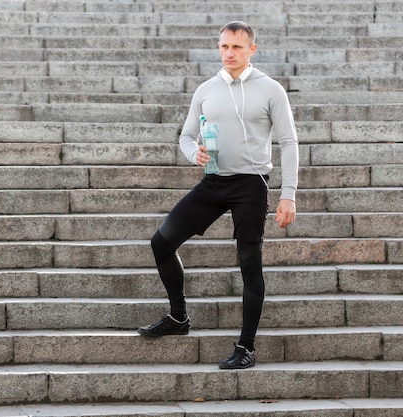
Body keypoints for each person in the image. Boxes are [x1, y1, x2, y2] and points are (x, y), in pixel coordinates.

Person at [137, 21, 299, 370]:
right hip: (213, 182)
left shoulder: (270, 89)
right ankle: (179, 318)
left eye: (237, 47)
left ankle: (246, 347)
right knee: (161, 242)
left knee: (250, 266)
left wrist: (289, 194)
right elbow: (186, 135)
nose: (229, 53)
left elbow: (288, 142)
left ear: (252, 49)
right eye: (224, 46)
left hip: (251, 184)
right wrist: (192, 153)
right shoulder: (207, 89)